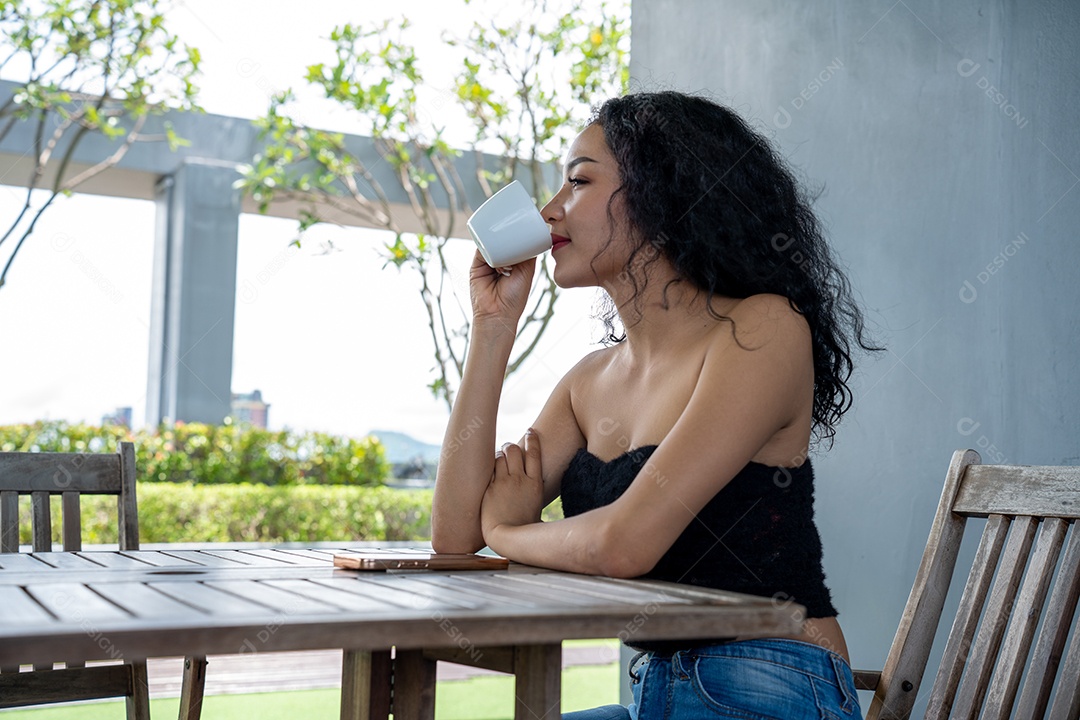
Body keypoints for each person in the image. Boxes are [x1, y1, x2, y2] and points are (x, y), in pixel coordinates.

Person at [433, 91, 876, 719]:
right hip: (654, 692)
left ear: (663, 192)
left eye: (578, 181)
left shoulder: (762, 330)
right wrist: (492, 328)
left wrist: (507, 531)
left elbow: (624, 544)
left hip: (770, 682)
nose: (550, 209)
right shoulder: (589, 381)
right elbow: (453, 537)